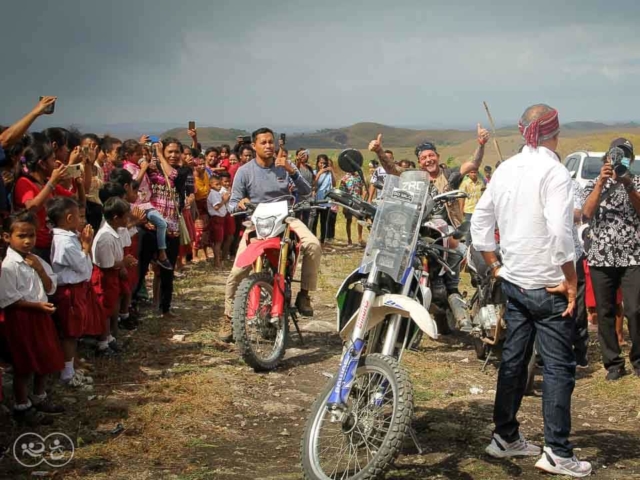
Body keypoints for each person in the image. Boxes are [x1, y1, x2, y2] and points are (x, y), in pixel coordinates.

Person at [471, 104, 591, 477]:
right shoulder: (554, 172)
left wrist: (495, 266)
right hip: (549, 285)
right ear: (555, 133)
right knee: (557, 367)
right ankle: (557, 451)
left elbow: (479, 224)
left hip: (515, 282)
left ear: (523, 131)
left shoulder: (505, 170)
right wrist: (571, 279)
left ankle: (505, 436)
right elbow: (559, 231)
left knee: (513, 361)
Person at [369, 123, 490, 331]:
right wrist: (380, 151)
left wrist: (480, 144)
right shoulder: (415, 178)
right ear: (419, 162)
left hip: (447, 234)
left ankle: (462, 301)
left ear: (438, 156)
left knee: (461, 254)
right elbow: (392, 169)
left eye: (431, 156)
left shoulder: (450, 175)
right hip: (419, 232)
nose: (428, 160)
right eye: (424, 158)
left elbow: (473, 163)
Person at [221, 127, 321, 342]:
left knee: (313, 244)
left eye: (270, 142)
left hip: (286, 218)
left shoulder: (284, 166)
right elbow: (232, 202)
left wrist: (292, 170)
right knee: (237, 272)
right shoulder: (245, 171)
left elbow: (306, 192)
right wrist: (241, 202)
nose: (268, 146)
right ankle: (229, 316)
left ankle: (304, 295)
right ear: (254, 146)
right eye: (263, 142)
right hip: (257, 221)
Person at [582, 137, 640, 380]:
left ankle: (638, 359)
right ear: (607, 158)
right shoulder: (594, 184)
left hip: (632, 255)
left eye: (625, 157)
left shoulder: (636, 182)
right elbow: (586, 213)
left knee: (636, 309)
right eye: (616, 156)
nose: (619, 161)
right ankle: (613, 364)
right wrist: (600, 184)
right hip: (601, 255)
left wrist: (628, 185)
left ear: (631, 160)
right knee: (604, 310)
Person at [0, 210, 65, 426]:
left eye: (32, 235)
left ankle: (39, 396)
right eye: (21, 236)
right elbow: (9, 299)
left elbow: (50, 286)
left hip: (41, 315)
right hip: (22, 319)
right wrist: (37, 306)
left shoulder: (36, 259)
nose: (28, 241)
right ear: (7, 237)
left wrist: (40, 269)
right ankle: (22, 405)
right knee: (24, 364)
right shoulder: (8, 266)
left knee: (45, 357)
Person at [48, 197, 95, 386]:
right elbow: (82, 266)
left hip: (76, 289)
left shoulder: (69, 237)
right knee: (69, 331)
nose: (81, 220)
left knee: (74, 331)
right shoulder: (64, 242)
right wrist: (86, 246)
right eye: (78, 216)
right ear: (68, 218)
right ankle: (67, 373)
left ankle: (72, 364)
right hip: (69, 291)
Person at [134, 140, 181, 317]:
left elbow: (173, 175)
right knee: (141, 269)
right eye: (169, 151)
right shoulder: (150, 170)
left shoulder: (181, 171)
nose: (173, 155)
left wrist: (161, 155)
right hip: (149, 225)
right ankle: (132, 307)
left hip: (172, 228)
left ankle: (164, 308)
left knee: (167, 272)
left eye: (176, 152)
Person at [92, 195, 137, 356]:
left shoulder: (114, 232)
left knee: (111, 306)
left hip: (112, 275)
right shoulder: (106, 237)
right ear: (116, 217)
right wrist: (123, 262)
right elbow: (106, 264)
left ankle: (109, 337)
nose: (128, 219)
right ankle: (102, 343)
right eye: (126, 216)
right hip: (105, 277)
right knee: (105, 309)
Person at [120, 139, 172, 270]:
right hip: (137, 205)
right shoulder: (127, 168)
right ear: (128, 155)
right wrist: (144, 168)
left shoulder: (137, 166)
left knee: (161, 224)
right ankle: (158, 255)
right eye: (137, 154)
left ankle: (161, 252)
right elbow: (134, 185)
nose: (141, 157)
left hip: (147, 203)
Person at [311, 154, 335, 246]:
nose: (323, 165)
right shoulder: (314, 172)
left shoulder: (329, 174)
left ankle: (322, 241)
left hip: (326, 200)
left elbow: (334, 183)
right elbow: (313, 184)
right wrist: (319, 173)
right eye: (321, 163)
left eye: (324, 163)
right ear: (317, 163)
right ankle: (313, 240)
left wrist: (332, 171)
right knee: (314, 221)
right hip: (316, 200)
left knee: (324, 222)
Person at [207, 174, 230, 269]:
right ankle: (217, 262)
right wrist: (224, 200)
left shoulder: (217, 193)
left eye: (220, 184)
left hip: (220, 219)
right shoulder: (213, 194)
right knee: (217, 242)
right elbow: (216, 207)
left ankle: (218, 261)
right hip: (216, 219)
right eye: (217, 184)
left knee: (219, 241)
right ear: (210, 185)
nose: (219, 186)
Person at [338, 169, 365, 247]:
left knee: (360, 219)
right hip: (348, 201)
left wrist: (362, 200)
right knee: (348, 220)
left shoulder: (359, 177)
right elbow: (341, 191)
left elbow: (361, 190)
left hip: (358, 201)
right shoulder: (344, 178)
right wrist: (343, 203)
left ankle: (360, 238)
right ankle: (349, 240)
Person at [459, 167, 484, 243]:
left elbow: (483, 194)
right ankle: (467, 245)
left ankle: (476, 244)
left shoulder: (481, 182)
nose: (473, 174)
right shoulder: (465, 183)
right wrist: (461, 208)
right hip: (469, 209)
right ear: (468, 174)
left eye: (475, 172)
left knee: (478, 227)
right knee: (468, 228)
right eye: (472, 172)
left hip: (478, 209)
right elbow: (461, 197)